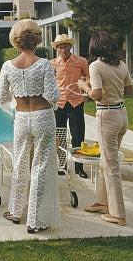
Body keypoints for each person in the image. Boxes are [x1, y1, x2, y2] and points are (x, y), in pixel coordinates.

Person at [0, 19, 61, 234]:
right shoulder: (44, 64)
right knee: (41, 165)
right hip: (42, 116)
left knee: (21, 163)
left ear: (16, 42)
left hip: (22, 118)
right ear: (36, 41)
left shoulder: (8, 66)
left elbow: (2, 96)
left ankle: (15, 211)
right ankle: (34, 220)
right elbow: (53, 96)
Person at [77, 31, 133, 227]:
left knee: (111, 167)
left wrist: (84, 86)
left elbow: (98, 95)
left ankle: (118, 214)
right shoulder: (122, 65)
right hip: (122, 115)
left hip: (107, 116)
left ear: (95, 47)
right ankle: (102, 202)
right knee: (105, 160)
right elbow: (130, 91)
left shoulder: (95, 66)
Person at [50, 34, 90, 179]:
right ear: (57, 49)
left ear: (70, 46)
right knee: (59, 135)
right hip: (59, 103)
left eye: (66, 46)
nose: (63, 49)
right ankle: (62, 164)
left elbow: (88, 77)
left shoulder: (81, 61)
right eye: (60, 46)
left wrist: (86, 93)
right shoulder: (52, 63)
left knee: (78, 135)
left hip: (76, 102)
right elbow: (49, 82)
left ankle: (79, 167)